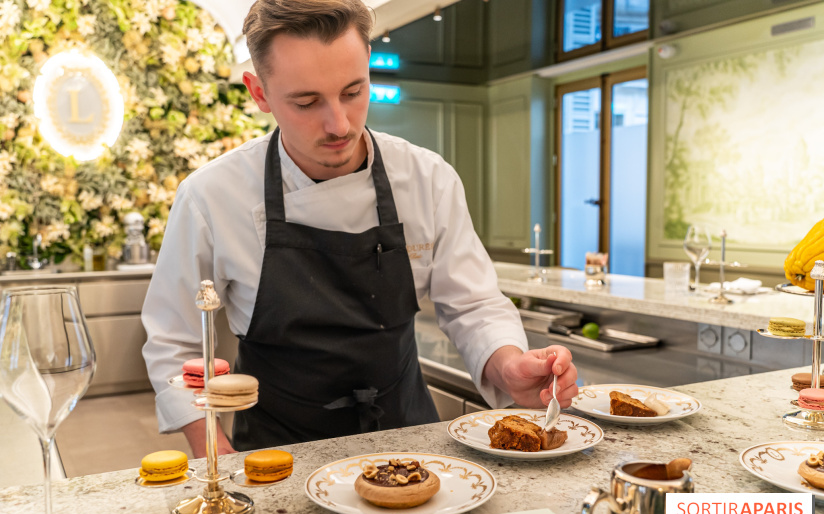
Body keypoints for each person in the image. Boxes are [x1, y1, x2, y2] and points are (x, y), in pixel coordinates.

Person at [141, 0, 578, 458]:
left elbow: (473, 305)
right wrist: (214, 449)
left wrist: (510, 366)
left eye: (353, 91)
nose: (339, 124)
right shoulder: (212, 197)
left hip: (408, 444)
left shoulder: (426, 178)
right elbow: (174, 341)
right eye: (307, 102)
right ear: (259, 93)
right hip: (274, 456)